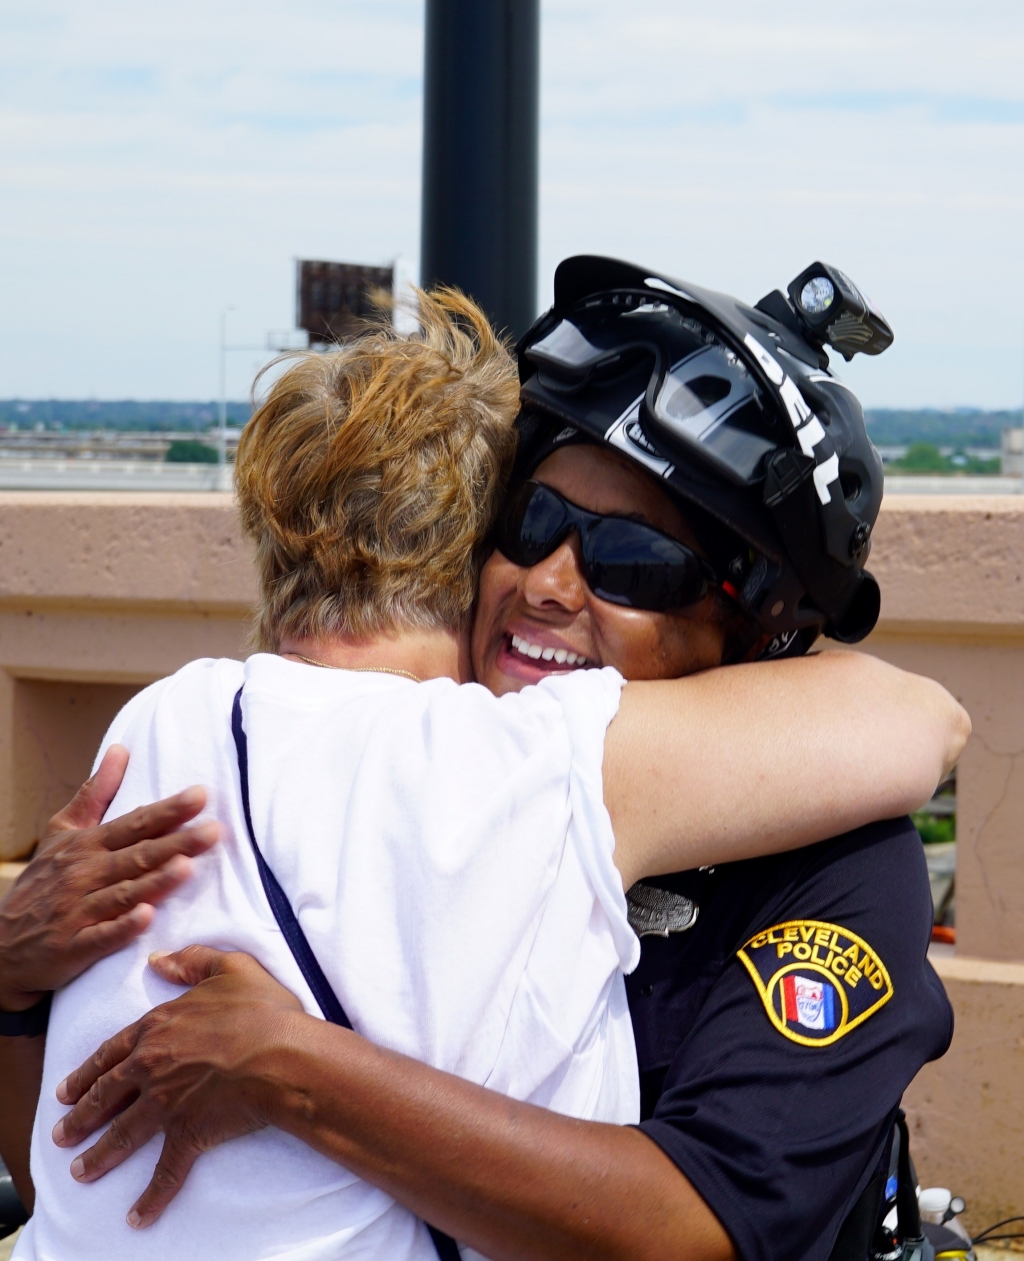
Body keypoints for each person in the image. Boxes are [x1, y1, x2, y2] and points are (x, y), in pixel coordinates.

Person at [0, 259, 969, 1261]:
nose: (549, 581)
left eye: (632, 562)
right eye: (531, 523)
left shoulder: (833, 865)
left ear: (757, 630)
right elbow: (95, 1176)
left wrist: (294, 1068)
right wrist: (18, 983)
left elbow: (692, 1229)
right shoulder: (396, 771)